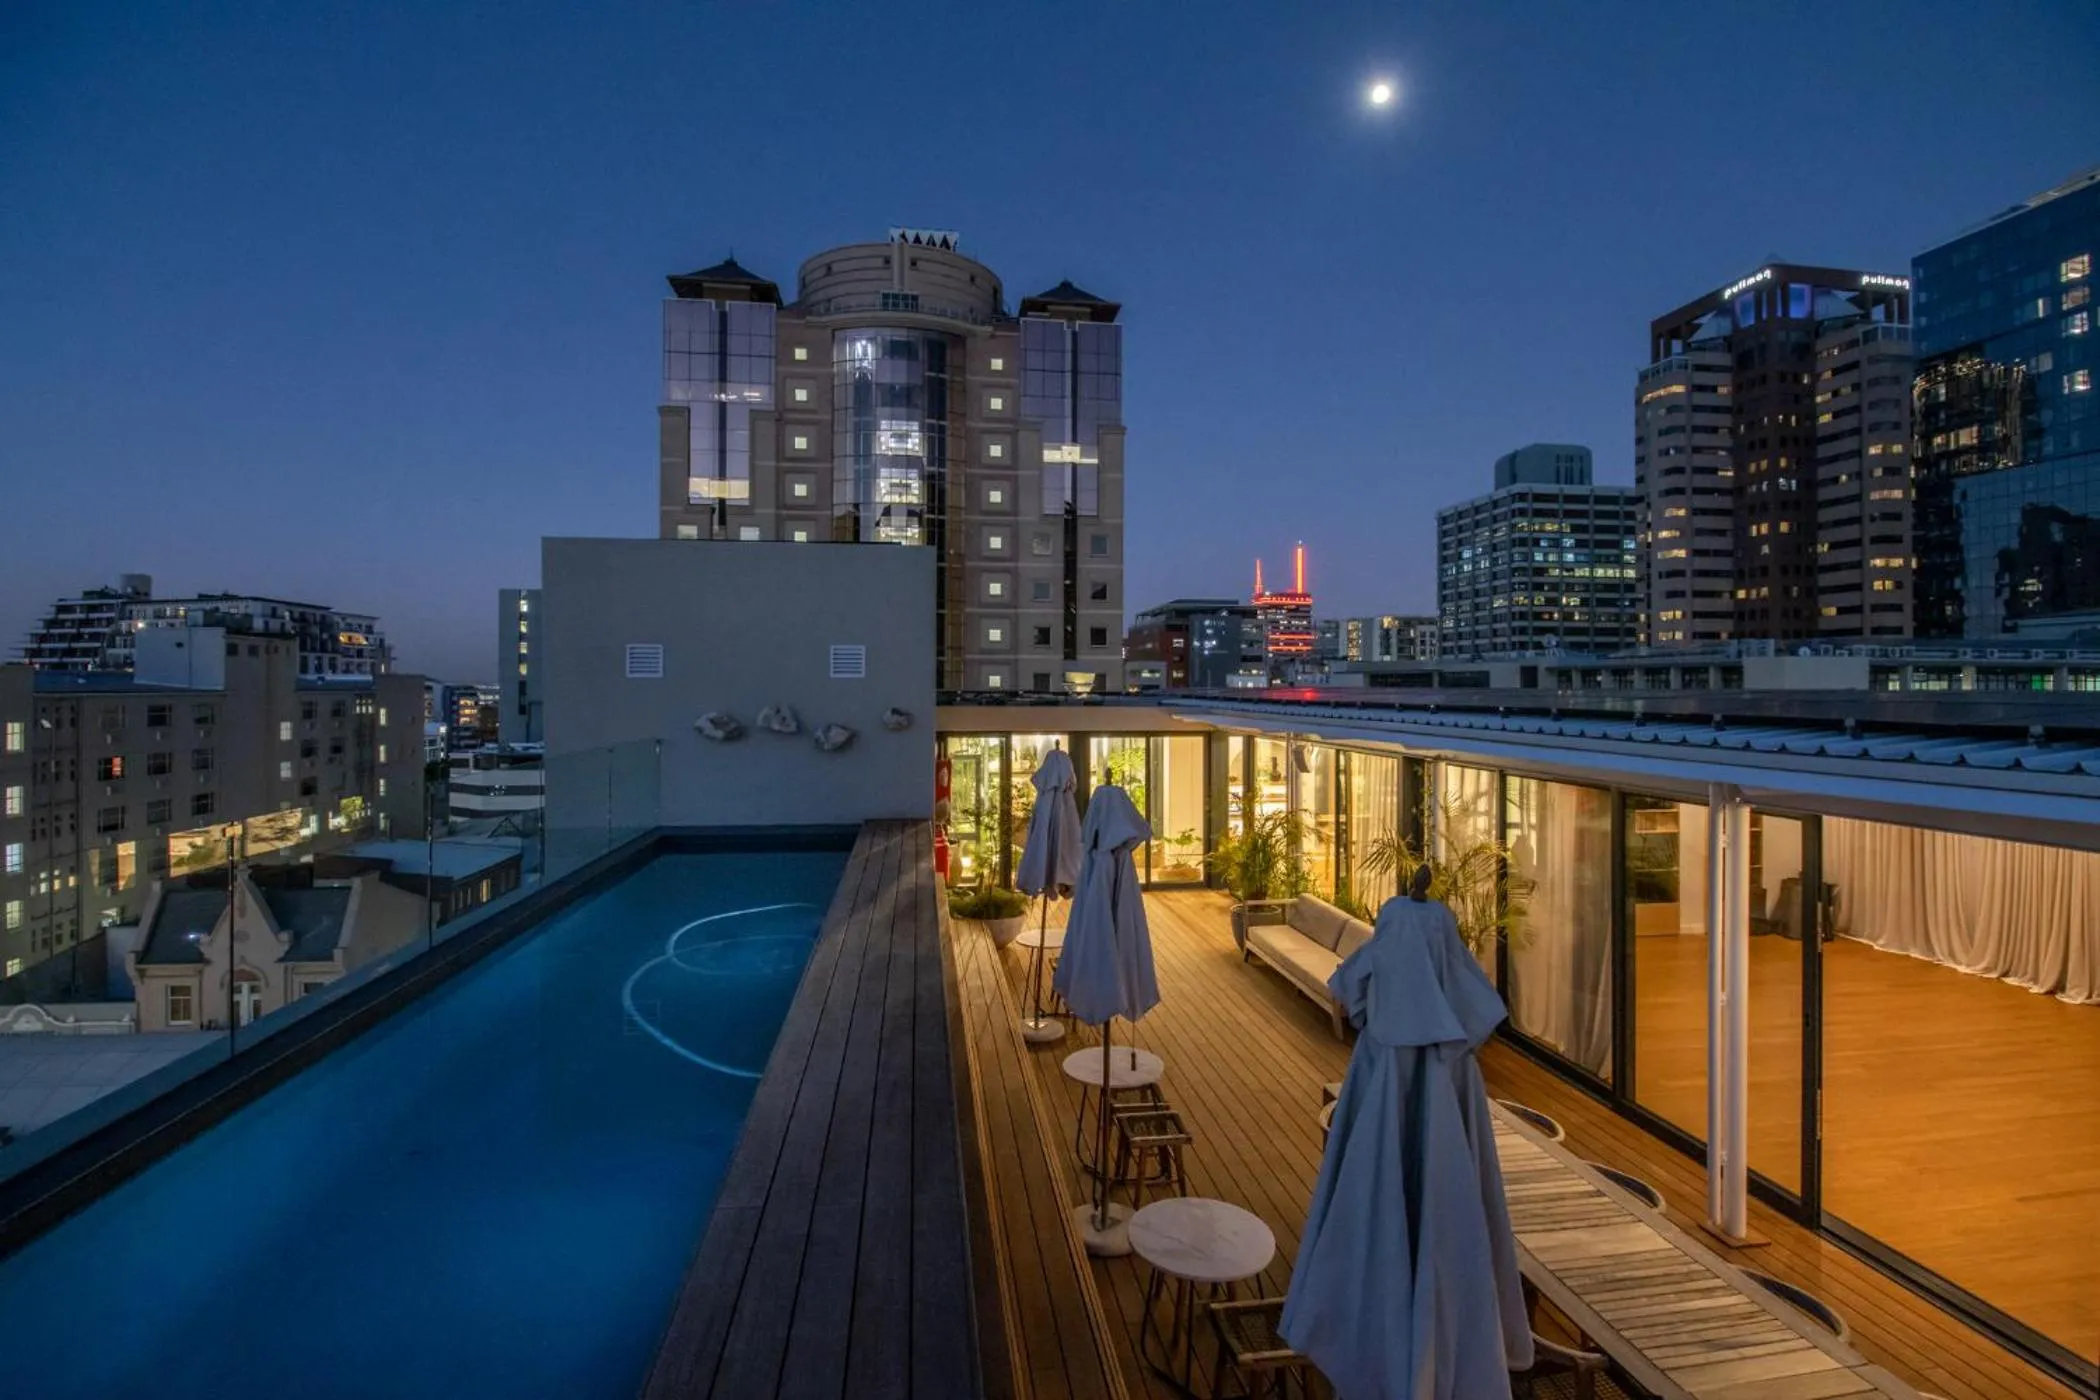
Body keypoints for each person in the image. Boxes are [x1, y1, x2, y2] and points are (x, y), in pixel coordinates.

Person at [1279, 864, 1533, 1399]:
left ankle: (1393, 1348)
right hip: (1437, 1134)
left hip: (1391, 1085)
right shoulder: (1453, 1061)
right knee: (1439, 1224)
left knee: (1394, 1220)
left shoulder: (1383, 1060)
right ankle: (1427, 1356)